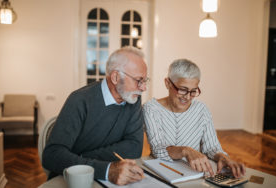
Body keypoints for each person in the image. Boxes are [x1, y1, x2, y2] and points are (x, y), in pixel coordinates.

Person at [42, 46, 149, 185]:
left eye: (145, 80)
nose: (143, 88)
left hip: (107, 177)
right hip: (72, 180)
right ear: (116, 77)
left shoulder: (133, 99)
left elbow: (134, 147)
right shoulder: (79, 100)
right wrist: (106, 169)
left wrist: (82, 158)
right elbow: (52, 155)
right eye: (138, 80)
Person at [143, 59, 245, 178]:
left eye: (193, 91)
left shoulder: (201, 110)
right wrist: (185, 151)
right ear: (167, 83)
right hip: (161, 172)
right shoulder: (151, 108)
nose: (187, 97)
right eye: (182, 90)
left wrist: (223, 157)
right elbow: (157, 149)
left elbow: (212, 147)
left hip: (194, 173)